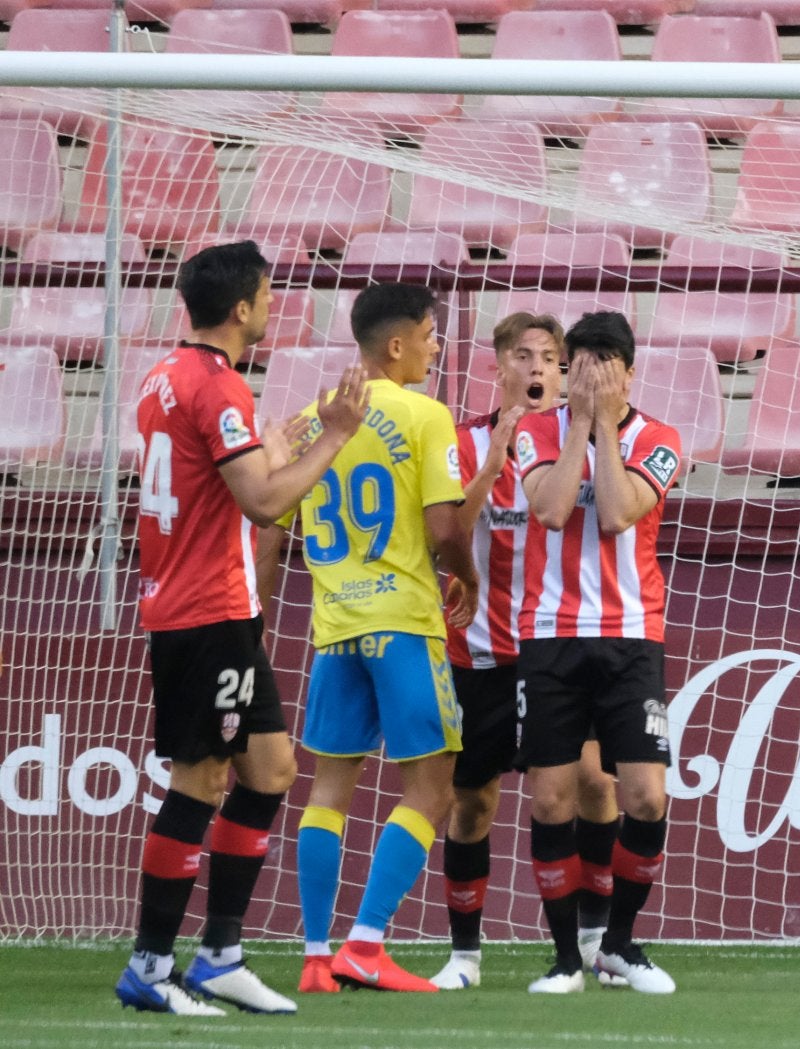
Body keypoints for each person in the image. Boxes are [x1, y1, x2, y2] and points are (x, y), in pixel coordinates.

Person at [116, 240, 368, 1016]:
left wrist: (272, 450)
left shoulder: (165, 375)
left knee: (270, 769)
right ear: (240, 308)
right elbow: (263, 503)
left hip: (211, 606)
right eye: (265, 293)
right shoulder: (219, 388)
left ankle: (220, 953)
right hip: (205, 611)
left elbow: (222, 485)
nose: (270, 305)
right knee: (203, 778)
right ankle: (151, 965)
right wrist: (332, 436)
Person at [257, 283, 478, 994]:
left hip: (335, 628)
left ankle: (317, 954)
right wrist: (467, 576)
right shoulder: (425, 414)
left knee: (328, 785)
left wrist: (259, 609)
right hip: (405, 623)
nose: (435, 345)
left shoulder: (312, 420)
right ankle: (368, 941)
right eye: (429, 333)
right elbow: (446, 528)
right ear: (396, 344)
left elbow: (269, 528)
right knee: (432, 787)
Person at [429, 313, 623, 990]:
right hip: (480, 651)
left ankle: (596, 938)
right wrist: (495, 457)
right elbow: (445, 529)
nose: (539, 368)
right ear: (498, 367)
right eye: (524, 355)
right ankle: (464, 954)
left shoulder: (577, 442)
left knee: (596, 785)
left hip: (557, 650)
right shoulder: (461, 441)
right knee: (473, 802)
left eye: (550, 357)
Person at [513, 311, 682, 995]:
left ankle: (618, 942)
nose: (589, 377)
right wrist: (578, 422)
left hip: (630, 636)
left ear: (628, 373)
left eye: (603, 366)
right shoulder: (533, 431)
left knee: (643, 795)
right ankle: (564, 958)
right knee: (552, 799)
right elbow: (551, 511)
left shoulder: (659, 438)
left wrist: (604, 426)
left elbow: (615, 513)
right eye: (579, 363)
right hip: (550, 633)